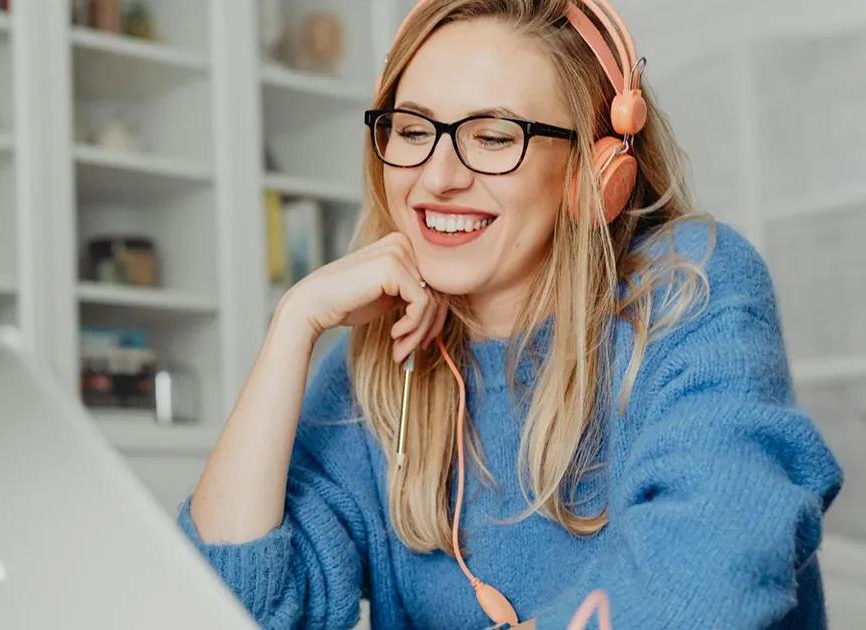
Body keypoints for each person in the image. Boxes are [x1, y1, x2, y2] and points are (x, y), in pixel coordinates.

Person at [178, 0, 843, 627]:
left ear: (595, 171)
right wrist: (293, 325)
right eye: (412, 130)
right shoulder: (380, 365)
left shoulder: (688, 285)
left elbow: (707, 582)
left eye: (494, 137)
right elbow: (225, 607)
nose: (438, 176)